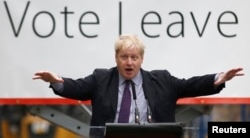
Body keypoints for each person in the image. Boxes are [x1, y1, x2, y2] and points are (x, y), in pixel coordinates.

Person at [33, 34, 244, 138]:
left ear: (142, 59)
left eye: (134, 57)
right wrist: (55, 81)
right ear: (116, 58)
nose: (129, 62)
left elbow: (191, 85)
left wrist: (219, 78)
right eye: (124, 57)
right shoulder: (101, 78)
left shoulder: (161, 80)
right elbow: (76, 88)